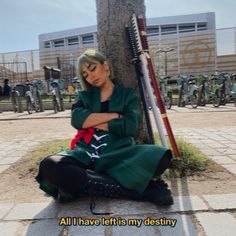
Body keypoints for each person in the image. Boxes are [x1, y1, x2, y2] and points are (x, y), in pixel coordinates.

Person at [36, 49, 174, 214]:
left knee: (161, 156)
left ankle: (81, 186)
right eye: (85, 74)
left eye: (92, 68)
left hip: (118, 155)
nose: (90, 76)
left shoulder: (127, 95)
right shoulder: (84, 96)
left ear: (105, 65)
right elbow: (77, 120)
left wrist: (92, 121)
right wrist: (115, 116)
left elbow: (130, 127)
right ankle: (141, 191)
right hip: (84, 155)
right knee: (50, 165)